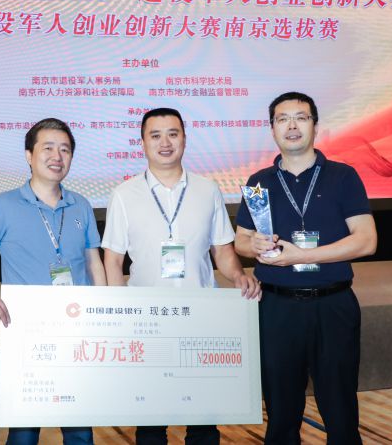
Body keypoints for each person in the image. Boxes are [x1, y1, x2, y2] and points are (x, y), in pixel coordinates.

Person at [102, 107, 261, 445]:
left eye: (172, 134)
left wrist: (238, 276)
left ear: (185, 140)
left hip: (199, 318)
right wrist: (119, 313)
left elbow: (222, 250)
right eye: (155, 135)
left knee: (203, 419)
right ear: (142, 143)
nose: (165, 143)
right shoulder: (123, 194)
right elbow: (113, 260)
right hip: (147, 320)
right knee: (150, 420)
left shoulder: (208, 189)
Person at [234, 92, 377, 445]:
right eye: (283, 119)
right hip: (277, 308)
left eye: (301, 117)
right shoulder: (259, 182)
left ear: (315, 125)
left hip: (333, 305)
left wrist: (299, 256)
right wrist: (253, 245)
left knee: (340, 408)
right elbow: (241, 242)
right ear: (272, 129)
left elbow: (366, 240)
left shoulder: (343, 176)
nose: (292, 126)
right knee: (281, 410)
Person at [0, 118, 106, 445]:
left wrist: (103, 312)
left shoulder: (81, 205)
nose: (57, 156)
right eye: (48, 148)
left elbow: (93, 262)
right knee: (24, 432)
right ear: (29, 155)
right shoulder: (5, 205)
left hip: (77, 330)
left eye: (65, 150)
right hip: (28, 334)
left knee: (80, 429)